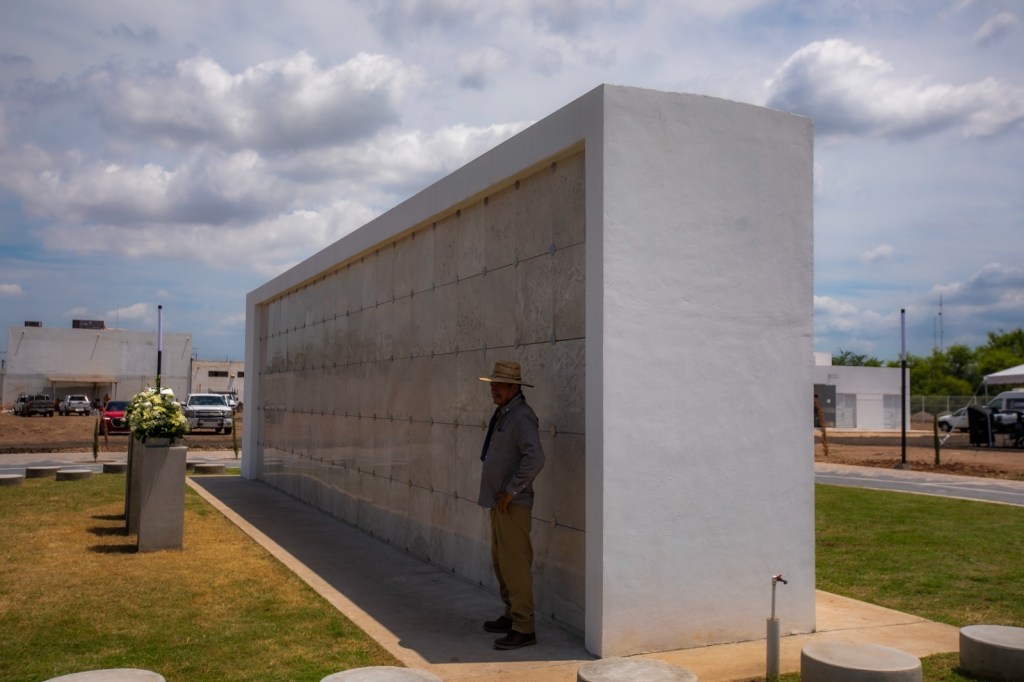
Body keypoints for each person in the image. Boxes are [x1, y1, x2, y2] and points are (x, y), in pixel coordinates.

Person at [477, 360, 546, 650]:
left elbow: (536, 458)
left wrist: (511, 491)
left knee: (515, 566)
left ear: (514, 387)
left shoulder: (522, 416)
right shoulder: (505, 412)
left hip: (512, 504)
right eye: (492, 384)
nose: (494, 389)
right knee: (501, 563)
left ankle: (524, 627)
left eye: (500, 385)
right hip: (499, 502)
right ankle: (511, 614)